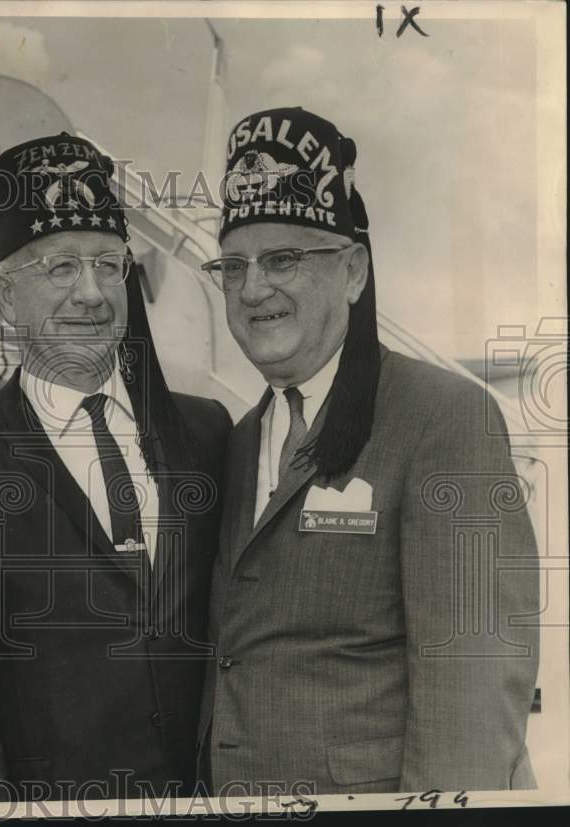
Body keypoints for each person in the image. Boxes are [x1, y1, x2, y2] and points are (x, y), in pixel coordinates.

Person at [197, 107, 540, 795]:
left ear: (352, 271)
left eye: (283, 258)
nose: (253, 287)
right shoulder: (236, 442)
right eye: (233, 266)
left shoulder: (443, 419)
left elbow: (472, 699)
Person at [0, 134, 232, 802]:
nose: (92, 294)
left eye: (110, 266)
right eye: (60, 269)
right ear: (3, 295)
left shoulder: (206, 433)